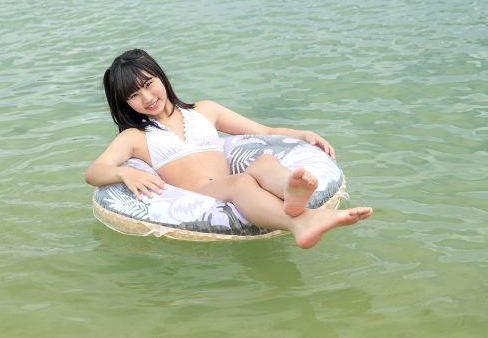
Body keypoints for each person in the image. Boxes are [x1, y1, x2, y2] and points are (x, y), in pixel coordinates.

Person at [86, 49, 373, 248]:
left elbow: (264, 132)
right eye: (134, 95)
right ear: (126, 103)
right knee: (241, 182)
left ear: (161, 77)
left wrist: (303, 135)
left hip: (228, 181)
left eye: (149, 84)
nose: (148, 97)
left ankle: (292, 191)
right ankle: (301, 223)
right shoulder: (136, 136)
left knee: (263, 162)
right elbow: (95, 172)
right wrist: (125, 174)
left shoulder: (205, 110)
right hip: (201, 194)